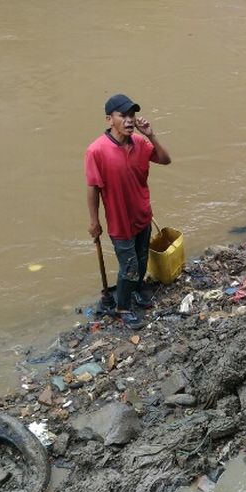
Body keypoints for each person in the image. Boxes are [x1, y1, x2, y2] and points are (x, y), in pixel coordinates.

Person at [85, 94, 172, 329]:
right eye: (122, 115)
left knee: (142, 258)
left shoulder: (141, 144)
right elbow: (93, 188)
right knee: (130, 266)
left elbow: (166, 160)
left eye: (131, 115)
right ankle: (122, 307)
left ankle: (135, 291)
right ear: (109, 120)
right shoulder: (97, 151)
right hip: (119, 222)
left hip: (142, 215)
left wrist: (151, 134)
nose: (129, 120)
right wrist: (94, 221)